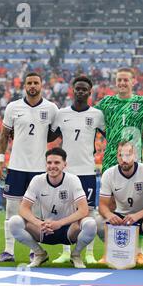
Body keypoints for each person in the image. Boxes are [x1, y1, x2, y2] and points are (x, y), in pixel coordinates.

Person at [0, 72, 58, 262]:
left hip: (39, 169)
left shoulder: (51, 108)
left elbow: (54, 135)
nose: (32, 86)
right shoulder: (13, 107)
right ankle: (8, 251)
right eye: (29, 83)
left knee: (36, 213)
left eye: (36, 83)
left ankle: (34, 252)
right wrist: (0, 160)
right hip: (16, 167)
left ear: (41, 85)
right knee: (11, 210)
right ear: (24, 85)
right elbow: (4, 135)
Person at [94, 67, 143, 265]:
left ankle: (138, 251)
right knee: (110, 206)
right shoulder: (106, 102)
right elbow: (95, 124)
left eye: (125, 80)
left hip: (136, 161)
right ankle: (109, 252)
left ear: (133, 82)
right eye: (119, 80)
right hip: (111, 158)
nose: (122, 83)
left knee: (140, 204)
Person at [8, 147, 97, 268]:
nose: (52, 166)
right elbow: (23, 208)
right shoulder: (37, 180)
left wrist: (60, 223)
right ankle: (39, 253)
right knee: (14, 222)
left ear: (64, 164)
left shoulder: (73, 180)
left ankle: (76, 255)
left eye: (57, 162)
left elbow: (84, 210)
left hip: (69, 229)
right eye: (49, 162)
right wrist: (38, 223)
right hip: (44, 229)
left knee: (91, 224)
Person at [49, 76, 105, 265]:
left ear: (90, 92)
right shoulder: (61, 113)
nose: (80, 92)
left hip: (87, 171)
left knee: (87, 213)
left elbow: (109, 136)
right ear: (72, 90)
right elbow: (49, 135)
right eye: (78, 89)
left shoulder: (97, 114)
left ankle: (88, 252)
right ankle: (66, 251)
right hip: (67, 172)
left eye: (84, 89)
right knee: (66, 213)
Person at [95, 141, 143, 269]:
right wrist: (109, 215)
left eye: (128, 155)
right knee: (98, 221)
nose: (124, 159)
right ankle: (113, 253)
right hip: (120, 216)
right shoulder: (108, 174)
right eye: (121, 155)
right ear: (117, 156)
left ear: (135, 155)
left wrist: (137, 216)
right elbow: (102, 205)